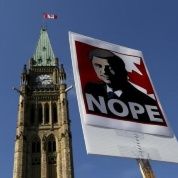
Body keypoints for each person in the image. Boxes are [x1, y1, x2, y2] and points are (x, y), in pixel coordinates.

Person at [84, 48, 165, 124]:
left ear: (120, 69)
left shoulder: (147, 102)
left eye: (109, 67)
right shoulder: (91, 89)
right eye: (98, 66)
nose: (104, 71)